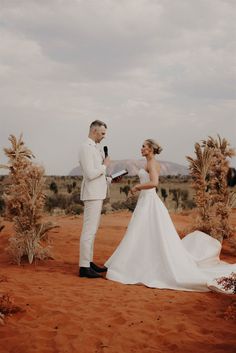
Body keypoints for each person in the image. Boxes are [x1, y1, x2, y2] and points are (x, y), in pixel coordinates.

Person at [105, 139, 236, 292]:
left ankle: (136, 264)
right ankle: (138, 261)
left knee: (141, 231)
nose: (141, 148)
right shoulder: (148, 163)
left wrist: (137, 186)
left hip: (149, 201)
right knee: (141, 232)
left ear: (151, 149)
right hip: (145, 201)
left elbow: (154, 183)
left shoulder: (152, 163)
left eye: (144, 146)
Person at [79, 120, 111, 278]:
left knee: (93, 230)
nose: (104, 136)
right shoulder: (86, 148)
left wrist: (109, 178)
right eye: (102, 133)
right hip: (92, 194)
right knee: (89, 231)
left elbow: (97, 175)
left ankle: (89, 262)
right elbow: (90, 174)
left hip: (97, 193)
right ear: (94, 131)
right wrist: (104, 166)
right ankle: (84, 267)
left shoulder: (94, 148)